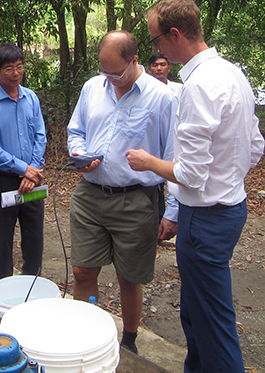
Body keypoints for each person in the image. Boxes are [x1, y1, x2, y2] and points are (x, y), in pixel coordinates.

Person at [127, 0, 264, 373]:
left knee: (213, 323)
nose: (154, 48)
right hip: (229, 208)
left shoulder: (199, 85)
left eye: (155, 40)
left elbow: (190, 173)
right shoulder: (232, 73)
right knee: (195, 314)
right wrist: (229, 176)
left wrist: (148, 161)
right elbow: (255, 145)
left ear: (175, 34)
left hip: (204, 217)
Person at [67, 30, 178, 355]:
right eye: (105, 71)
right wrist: (80, 154)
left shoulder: (162, 98)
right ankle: (85, 332)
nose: (111, 79)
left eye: (117, 72)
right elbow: (76, 131)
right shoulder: (92, 88)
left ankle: (128, 341)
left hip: (136, 201)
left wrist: (172, 212)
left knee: (129, 278)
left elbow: (174, 157)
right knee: (83, 270)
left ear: (135, 60)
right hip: (90, 195)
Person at [0, 43, 46, 282]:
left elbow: (40, 135)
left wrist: (31, 172)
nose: (16, 73)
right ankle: (3, 295)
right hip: (0, 182)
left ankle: (32, 286)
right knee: (1, 241)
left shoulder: (31, 98)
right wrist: (23, 169)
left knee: (35, 237)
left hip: (32, 181)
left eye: (19, 67)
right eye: (9, 69)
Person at [148, 51, 182, 222]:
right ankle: (157, 223)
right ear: (150, 69)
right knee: (156, 184)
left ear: (169, 67)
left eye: (162, 64)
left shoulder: (179, 89)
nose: (159, 68)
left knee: (175, 178)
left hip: (176, 138)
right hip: (154, 142)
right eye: (155, 65)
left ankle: (172, 218)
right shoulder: (145, 92)